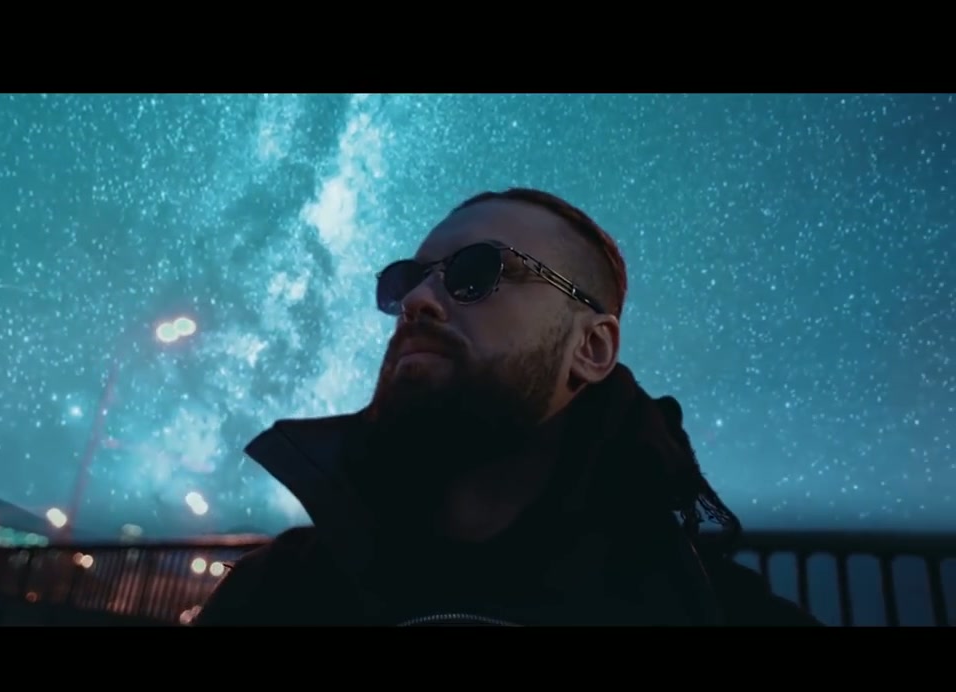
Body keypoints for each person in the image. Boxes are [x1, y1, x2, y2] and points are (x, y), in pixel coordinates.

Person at [196, 188, 820, 626]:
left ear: (592, 348)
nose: (417, 301)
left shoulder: (714, 611)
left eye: (476, 270)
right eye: (406, 280)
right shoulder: (275, 594)